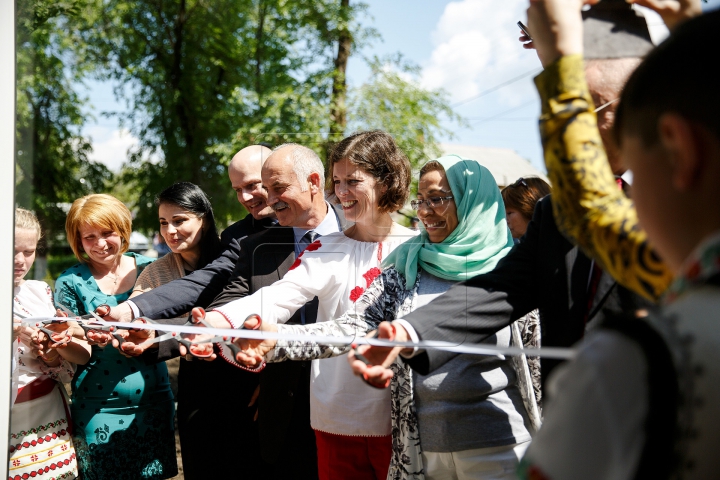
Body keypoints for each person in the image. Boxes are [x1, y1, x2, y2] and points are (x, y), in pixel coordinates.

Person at [348, 7, 654, 391]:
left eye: (587, 112)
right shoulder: (557, 215)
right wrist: (408, 332)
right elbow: (498, 290)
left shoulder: (694, 204)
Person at [232, 156, 536, 480]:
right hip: (424, 453)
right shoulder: (405, 265)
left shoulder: (515, 272)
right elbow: (349, 326)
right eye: (421, 200)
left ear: (473, 200)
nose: (424, 211)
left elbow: (543, 366)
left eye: (437, 199)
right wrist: (278, 339)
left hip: (501, 448)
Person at [517, 2, 718, 478]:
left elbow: (594, 211)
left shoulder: (633, 369)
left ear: (679, 147)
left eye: (629, 144)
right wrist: (687, 24)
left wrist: (563, 68)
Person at [194, 131, 415, 480]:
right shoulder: (325, 249)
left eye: (353, 181)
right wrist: (216, 321)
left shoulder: (418, 248)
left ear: (386, 181)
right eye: (337, 181)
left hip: (402, 418)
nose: (341, 191)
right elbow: (277, 296)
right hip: (336, 417)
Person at [53, 194, 176, 480]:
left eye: (107, 233)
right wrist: (68, 340)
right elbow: (78, 351)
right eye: (89, 237)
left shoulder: (155, 268)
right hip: (98, 405)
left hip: (154, 400)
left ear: (122, 230)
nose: (99, 244)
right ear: (77, 240)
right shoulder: (69, 282)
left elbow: (174, 327)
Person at [105, 144, 277, 324]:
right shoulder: (238, 237)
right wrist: (130, 310)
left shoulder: (304, 227)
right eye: (238, 190)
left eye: (251, 185)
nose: (244, 198)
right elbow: (204, 283)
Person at [126, 182, 230, 478]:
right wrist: (127, 333)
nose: (170, 231)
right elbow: (135, 318)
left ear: (205, 219)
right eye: (163, 223)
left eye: (180, 220)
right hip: (195, 380)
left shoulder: (232, 259)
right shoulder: (156, 272)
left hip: (241, 376)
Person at [9, 208, 88, 480]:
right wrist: (15, 331)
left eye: (28, 251)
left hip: (47, 414)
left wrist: (52, 349)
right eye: (11, 250)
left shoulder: (39, 292)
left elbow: (67, 367)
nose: (20, 260)